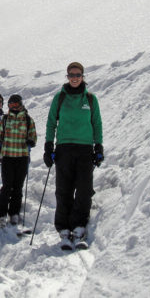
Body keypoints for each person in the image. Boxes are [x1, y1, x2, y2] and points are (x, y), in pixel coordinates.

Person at [44, 62, 103, 250]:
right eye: (71, 75)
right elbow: (51, 123)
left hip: (85, 149)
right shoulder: (59, 98)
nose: (75, 77)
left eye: (78, 74)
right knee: (64, 190)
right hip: (64, 149)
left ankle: (78, 228)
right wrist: (48, 146)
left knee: (84, 190)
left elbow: (97, 124)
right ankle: (63, 229)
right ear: (67, 77)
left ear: (83, 76)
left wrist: (98, 146)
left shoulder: (91, 99)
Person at [0, 94, 37, 227]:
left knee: (18, 187)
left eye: (16, 105)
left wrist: (31, 141)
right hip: (8, 157)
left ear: (21, 104)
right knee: (7, 186)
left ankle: (14, 213)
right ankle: (0, 214)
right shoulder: (5, 119)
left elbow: (33, 135)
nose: (14, 107)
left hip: (22, 157)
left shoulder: (28, 120)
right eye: (11, 105)